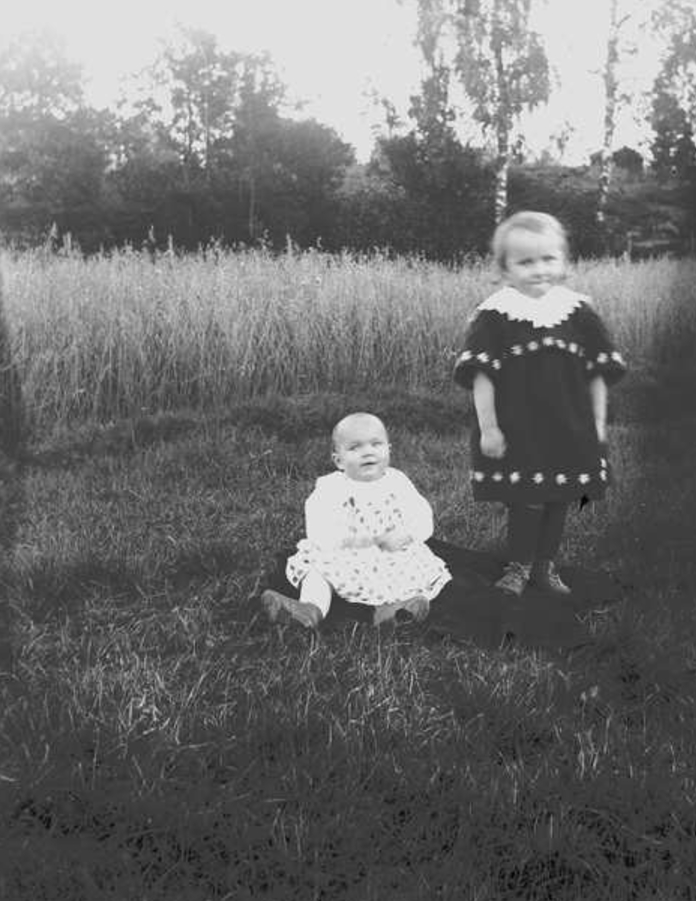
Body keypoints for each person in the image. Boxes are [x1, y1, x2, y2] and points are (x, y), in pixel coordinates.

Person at [454, 211, 627, 597]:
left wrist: (598, 424)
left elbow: (597, 374)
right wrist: (489, 428)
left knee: (559, 496)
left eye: (548, 259)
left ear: (564, 262)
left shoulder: (578, 312)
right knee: (528, 498)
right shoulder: (495, 315)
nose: (539, 269)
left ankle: (545, 567)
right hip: (519, 428)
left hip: (570, 426)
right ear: (505, 269)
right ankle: (519, 566)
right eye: (526, 261)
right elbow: (482, 376)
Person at [261, 412, 452, 630]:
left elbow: (421, 515)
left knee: (410, 573)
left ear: (389, 450)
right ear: (339, 460)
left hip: (391, 554)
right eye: (355, 448)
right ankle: (310, 609)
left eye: (376, 444)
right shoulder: (331, 487)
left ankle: (393, 611)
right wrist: (342, 542)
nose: (368, 452)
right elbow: (317, 524)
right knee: (317, 571)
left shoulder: (398, 482)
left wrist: (406, 535)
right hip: (346, 553)